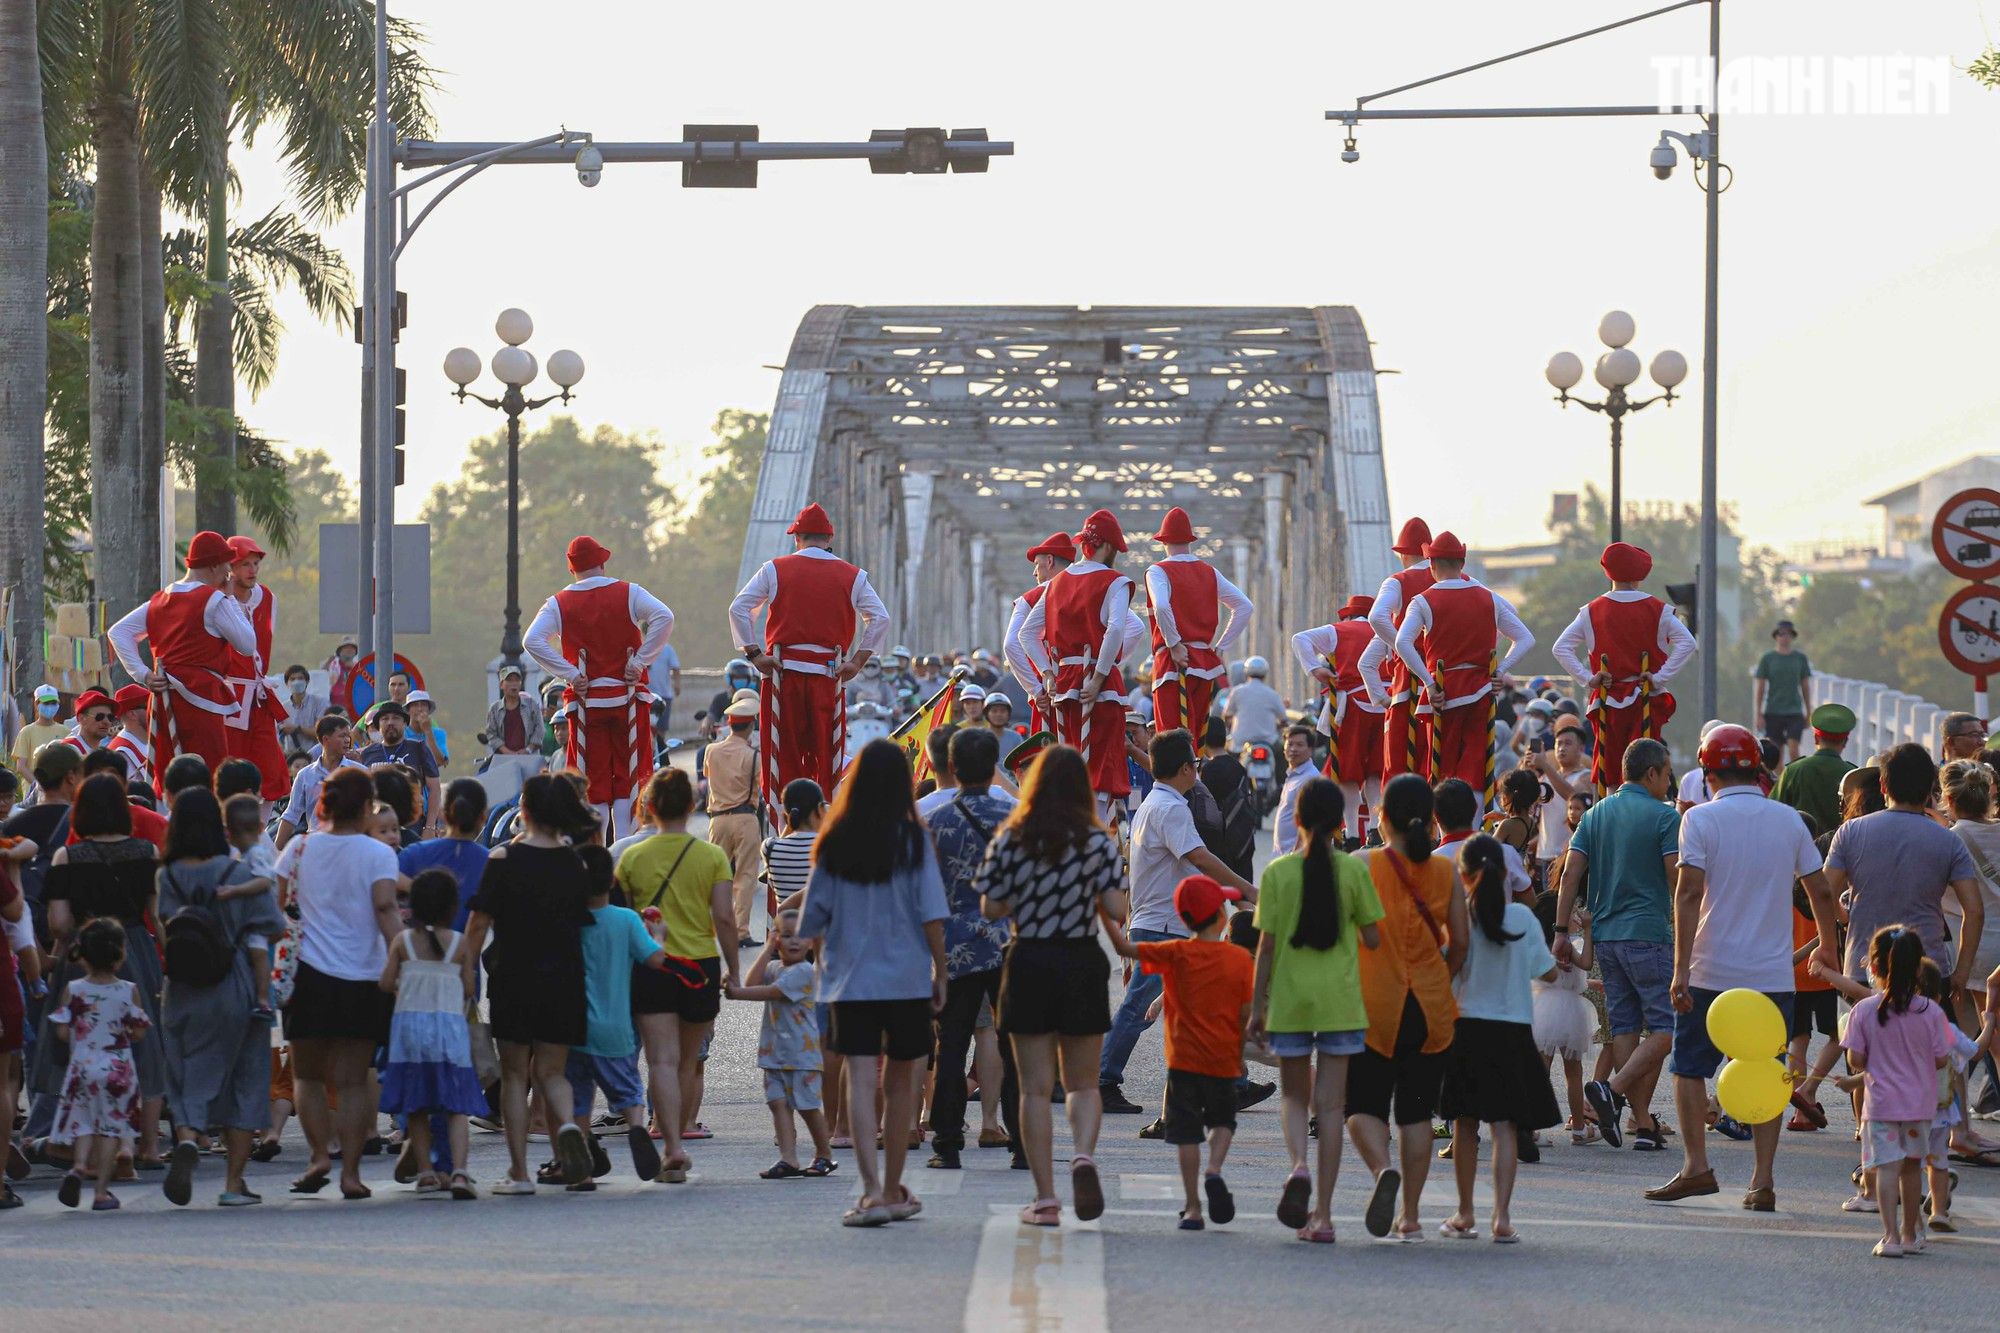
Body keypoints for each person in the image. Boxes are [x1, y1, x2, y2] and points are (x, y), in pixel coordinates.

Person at [1645, 723, 1841, 1209]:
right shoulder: (1789, 821)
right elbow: (1819, 890)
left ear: (1708, 774)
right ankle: (1762, 1180)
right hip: (1771, 975)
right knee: (1767, 1072)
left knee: (1689, 1068)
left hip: (1711, 969)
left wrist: (1680, 969)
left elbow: (1688, 893)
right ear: (1758, 771)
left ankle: (1697, 1168)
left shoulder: (1701, 821)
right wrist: (1829, 949)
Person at [797, 738, 949, 1228]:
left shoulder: (834, 840)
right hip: (905, 978)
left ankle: (868, 1190)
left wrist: (817, 956)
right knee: (902, 1078)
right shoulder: (914, 838)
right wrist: (941, 971)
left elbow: (813, 916)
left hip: (849, 979)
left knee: (859, 1078)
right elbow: (931, 913)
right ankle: (892, 1187)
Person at [970, 744, 1122, 1224]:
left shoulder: (1011, 838)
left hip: (1029, 958)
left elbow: (991, 908)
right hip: (1081, 958)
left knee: (1034, 1090)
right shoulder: (1098, 842)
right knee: (1082, 1085)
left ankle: (1046, 1199)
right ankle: (1082, 1155)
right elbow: (1118, 910)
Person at [1098, 728, 1257, 1117]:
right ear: (1186, 768)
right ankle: (1101, 1080)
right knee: (1139, 1007)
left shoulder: (1159, 802)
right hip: (1161, 922)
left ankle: (1233, 1081)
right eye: (1196, 765)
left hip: (1161, 919)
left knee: (1198, 1004)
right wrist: (1249, 890)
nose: (1198, 772)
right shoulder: (1171, 808)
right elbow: (1200, 858)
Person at [1250, 777, 1383, 1242]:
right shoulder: (1353, 872)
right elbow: (1372, 937)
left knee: (1293, 1097)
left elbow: (1264, 947)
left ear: (1298, 820)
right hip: (1341, 1002)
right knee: (1329, 1109)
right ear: (1339, 823)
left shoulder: (1277, 874)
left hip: (1290, 1000)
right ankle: (1323, 1217)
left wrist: (1255, 1007)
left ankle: (1298, 1167)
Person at [462, 773, 598, 1193]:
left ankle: (520, 1173)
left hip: (514, 978)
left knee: (516, 1075)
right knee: (554, 1074)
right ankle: (570, 1137)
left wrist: (467, 975)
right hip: (565, 980)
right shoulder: (575, 862)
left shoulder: (503, 858)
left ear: (525, 811)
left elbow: (477, 925)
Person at [1349, 773, 1470, 1241]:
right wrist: (1441, 977)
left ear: (1383, 818)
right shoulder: (1445, 872)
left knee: (1362, 1106)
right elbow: (1458, 943)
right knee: (1417, 1114)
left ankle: (1382, 1170)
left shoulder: (1361, 864)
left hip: (1375, 1005)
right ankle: (1412, 1217)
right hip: (1430, 1007)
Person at [155, 789, 286, 1206]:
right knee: (244, 1079)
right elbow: (273, 925)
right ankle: (233, 1184)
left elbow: (165, 925)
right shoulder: (237, 873)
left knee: (188, 1070)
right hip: (235, 985)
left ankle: (189, 1134)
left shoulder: (168, 875)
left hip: (182, 987)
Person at [1107, 873, 1255, 1232]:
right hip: (1222, 1061)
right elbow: (1243, 1015)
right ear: (1222, 918)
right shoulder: (1239, 962)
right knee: (1222, 1123)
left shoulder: (1174, 953)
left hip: (1183, 1063)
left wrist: (1104, 912)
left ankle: (1192, 1208)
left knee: (1186, 1133)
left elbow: (1126, 950)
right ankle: (1214, 1169)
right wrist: (1238, 1054)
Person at [36, 774, 168, 1171]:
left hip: (83, 953)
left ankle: (82, 1143)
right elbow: (158, 917)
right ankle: (144, 1145)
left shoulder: (67, 857)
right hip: (135, 949)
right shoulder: (146, 852)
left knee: (80, 1049)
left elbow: (58, 922)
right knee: (143, 1046)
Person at [614, 767, 737, 1182]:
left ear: (648, 807)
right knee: (687, 1062)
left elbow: (628, 918)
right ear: (692, 806)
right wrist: (734, 972)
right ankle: (679, 1138)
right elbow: (724, 918)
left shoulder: (631, 857)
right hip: (699, 966)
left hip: (653, 965)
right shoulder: (712, 856)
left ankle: (672, 1149)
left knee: (660, 1062)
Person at [1438, 835, 1562, 1244]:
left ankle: (1465, 1213)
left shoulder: (1458, 918)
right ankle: (1503, 1218)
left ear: (1464, 875)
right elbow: (1549, 973)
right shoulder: (1523, 920)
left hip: (1468, 1029)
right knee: (1505, 1129)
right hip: (1513, 1033)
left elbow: (1447, 970)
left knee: (1465, 1126)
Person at [730, 503, 891, 813]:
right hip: (827, 676)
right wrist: (857, 661)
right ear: (829, 539)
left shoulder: (773, 569)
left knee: (782, 752)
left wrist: (754, 654)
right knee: (826, 754)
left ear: (797, 538)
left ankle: (782, 827)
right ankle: (823, 821)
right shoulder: (852, 575)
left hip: (782, 674)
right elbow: (880, 618)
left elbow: (738, 608)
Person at [1561, 738, 1680, 1151]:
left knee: (1626, 1027)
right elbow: (1675, 880)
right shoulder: (1665, 817)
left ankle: (1643, 1124)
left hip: (1607, 938)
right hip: (1649, 935)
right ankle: (1611, 1090)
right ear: (1652, 773)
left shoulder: (1594, 814)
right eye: (1666, 773)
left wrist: (1561, 930)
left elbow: (1569, 875)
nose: (1668, 781)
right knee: (1668, 1027)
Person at [522, 536, 675, 839]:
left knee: (593, 783)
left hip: (586, 702)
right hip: (627, 698)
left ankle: (595, 848)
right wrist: (640, 662)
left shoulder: (558, 603)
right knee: (629, 778)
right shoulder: (629, 592)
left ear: (571, 569)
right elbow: (664, 617)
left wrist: (569, 673)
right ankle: (623, 848)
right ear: (603, 563)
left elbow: (532, 641)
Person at [1828, 927, 1961, 1257]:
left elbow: (1856, 1059)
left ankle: (1889, 1237)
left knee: (1886, 1168)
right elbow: (1942, 1058)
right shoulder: (1932, 1012)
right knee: (1912, 1167)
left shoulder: (1863, 1010)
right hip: (1919, 1106)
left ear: (1873, 969)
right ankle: (1908, 1234)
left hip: (1882, 1106)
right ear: (1919, 968)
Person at [922, 726, 1019, 1171]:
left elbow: (925, 890)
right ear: (994, 765)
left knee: (951, 1046)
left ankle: (946, 1143)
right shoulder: (1014, 815)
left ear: (952, 767)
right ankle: (1021, 1140)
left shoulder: (935, 821)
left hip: (953, 944)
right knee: (1013, 1043)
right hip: (1007, 942)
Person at [571, 845, 690, 1187]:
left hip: (578, 1027)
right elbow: (655, 960)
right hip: (617, 1027)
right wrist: (658, 934)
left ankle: (582, 1168)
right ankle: (637, 1126)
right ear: (612, 881)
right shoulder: (626, 920)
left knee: (579, 1094)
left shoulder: (571, 920)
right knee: (628, 1090)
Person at [1825, 744, 1982, 1002]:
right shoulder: (1948, 840)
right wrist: (1961, 973)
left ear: (1883, 786)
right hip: (1927, 969)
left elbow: (1824, 890)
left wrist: (1843, 918)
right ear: (1931, 788)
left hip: (1865, 967)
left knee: (1864, 1041)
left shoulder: (1851, 832)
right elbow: (1974, 911)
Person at [107, 529, 259, 790]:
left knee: (167, 772)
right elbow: (247, 644)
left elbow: (118, 632)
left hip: (164, 698)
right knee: (209, 772)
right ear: (213, 566)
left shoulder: (161, 599)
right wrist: (231, 597)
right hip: (202, 699)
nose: (228, 574)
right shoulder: (215, 599)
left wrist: (142, 674)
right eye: (226, 566)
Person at [1018, 508, 1148, 809]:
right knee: (1100, 765)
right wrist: (1101, 674)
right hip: (1098, 684)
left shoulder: (1055, 583)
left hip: (1064, 684)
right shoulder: (1114, 582)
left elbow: (1027, 634)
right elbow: (1117, 628)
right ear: (1109, 546)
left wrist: (1048, 674)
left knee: (1069, 761)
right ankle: (1097, 834)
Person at [1391, 532, 1534, 799]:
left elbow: (1402, 643)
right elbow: (1525, 638)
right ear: (1462, 564)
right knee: (1477, 765)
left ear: (1432, 565)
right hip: (1481, 689)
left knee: (1440, 765)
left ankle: (1446, 834)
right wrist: (1500, 671)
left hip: (1442, 691)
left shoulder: (1422, 601)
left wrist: (1428, 682)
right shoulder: (1489, 597)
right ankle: (1474, 826)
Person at [376, 869, 485, 1200]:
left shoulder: (403, 942)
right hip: (449, 1031)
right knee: (456, 1108)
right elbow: (469, 987)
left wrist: (407, 987)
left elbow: (384, 983)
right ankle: (461, 1172)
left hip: (410, 1033)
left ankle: (425, 1173)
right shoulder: (459, 943)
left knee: (417, 1107)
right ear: (452, 907)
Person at [1549, 541, 1695, 789]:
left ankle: (1613, 815)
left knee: (1611, 767)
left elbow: (1560, 648)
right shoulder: (1659, 610)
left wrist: (1588, 679)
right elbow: (1687, 643)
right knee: (1645, 765)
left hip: (1608, 698)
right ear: (1639, 575)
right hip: (1645, 697)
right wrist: (1659, 677)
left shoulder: (1591, 611)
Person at [47, 918, 150, 1210]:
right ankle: (101, 1192)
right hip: (118, 1068)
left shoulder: (74, 989)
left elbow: (62, 1031)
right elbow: (140, 1032)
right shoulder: (128, 990)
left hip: (83, 1066)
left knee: (83, 1122)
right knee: (110, 1129)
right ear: (120, 954)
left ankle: (79, 1166)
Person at [727, 909, 838, 1179]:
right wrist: (766, 950)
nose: (794, 942)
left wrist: (736, 993)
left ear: (811, 941)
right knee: (778, 1104)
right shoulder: (776, 967)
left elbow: (770, 992)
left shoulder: (803, 972)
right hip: (774, 1053)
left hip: (802, 1055)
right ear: (777, 939)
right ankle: (788, 1158)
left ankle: (824, 1154)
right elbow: (754, 981)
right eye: (786, 936)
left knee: (808, 1106)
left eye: (800, 936)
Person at [1144, 506, 1253, 739]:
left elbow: (1162, 606)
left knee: (1171, 739)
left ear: (1163, 541)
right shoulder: (1209, 571)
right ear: (1190, 541)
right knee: (1195, 734)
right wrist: (1221, 648)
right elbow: (1245, 606)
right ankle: (1193, 775)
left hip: (1172, 662)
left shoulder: (1157, 571)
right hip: (1205, 663)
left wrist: (1174, 644)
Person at [1293, 593, 1387, 838]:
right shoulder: (1390, 630)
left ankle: (1352, 833)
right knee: (1377, 772)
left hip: (1354, 706)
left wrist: (1315, 669)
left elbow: (1299, 638)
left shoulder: (1338, 630)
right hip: (1387, 706)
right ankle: (1376, 828)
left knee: (1348, 773)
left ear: (1348, 615)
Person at [1365, 517, 1438, 784]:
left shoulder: (1397, 581)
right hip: (1447, 681)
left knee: (1399, 764)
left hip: (1408, 685)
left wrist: (1402, 647)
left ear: (1403, 554)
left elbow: (1377, 618)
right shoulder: (1462, 581)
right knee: (1440, 760)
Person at [218, 535, 290, 802]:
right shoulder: (216, 599)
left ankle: (259, 830)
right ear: (230, 567)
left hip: (259, 697)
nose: (252, 570)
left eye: (256, 563)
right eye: (245, 564)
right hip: (229, 698)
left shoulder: (267, 598)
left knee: (272, 770)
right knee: (229, 769)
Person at [1535, 905, 1598, 1144]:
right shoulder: (1570, 945)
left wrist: (1591, 984)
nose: (1575, 916)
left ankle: (1530, 1126)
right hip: (1571, 1010)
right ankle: (1580, 1129)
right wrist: (1589, 931)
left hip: (1544, 1007)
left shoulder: (1542, 946)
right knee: (1574, 1073)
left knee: (1542, 1070)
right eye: (1571, 912)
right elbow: (1586, 963)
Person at [1003, 532, 1077, 734]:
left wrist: (1036, 690)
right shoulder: (1087, 590)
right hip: (1086, 689)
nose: (1035, 573)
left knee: (1048, 757)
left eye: (1037, 564)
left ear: (1050, 561)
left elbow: (1011, 644)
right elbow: (1134, 627)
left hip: (1049, 694)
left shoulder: (1032, 597)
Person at [705, 697, 764, 942]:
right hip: (745, 819)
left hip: (717, 820)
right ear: (751, 726)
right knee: (745, 878)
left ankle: (707, 929)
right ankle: (741, 932)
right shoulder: (753, 755)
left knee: (712, 877)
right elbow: (760, 787)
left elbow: (708, 776)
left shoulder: (711, 750)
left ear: (729, 724)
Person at [276, 715, 367, 847]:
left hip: (352, 843)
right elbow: (292, 815)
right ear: (325, 739)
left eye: (348, 736)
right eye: (342, 736)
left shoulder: (360, 772)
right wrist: (275, 850)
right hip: (316, 843)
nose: (348, 740)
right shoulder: (305, 775)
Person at [355, 701, 441, 837]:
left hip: (412, 827)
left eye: (396, 718)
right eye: (385, 719)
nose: (390, 723)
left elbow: (435, 789)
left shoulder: (419, 749)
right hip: (377, 827)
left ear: (405, 724)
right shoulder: (367, 753)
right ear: (378, 725)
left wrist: (430, 827)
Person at [1772, 703, 1857, 835]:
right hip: (1839, 851)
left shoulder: (1793, 771)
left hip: (1798, 850)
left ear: (1816, 738)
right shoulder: (1853, 776)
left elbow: (1772, 811)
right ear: (1845, 742)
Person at [1754, 620, 1813, 762]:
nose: (1784, 636)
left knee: (1794, 748)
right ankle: (1781, 781)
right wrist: (1759, 714)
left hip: (1794, 710)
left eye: (1788, 633)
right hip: (1773, 711)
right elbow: (1760, 687)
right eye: (1781, 633)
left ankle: (1793, 779)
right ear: (1776, 636)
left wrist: (1809, 712)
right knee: (1775, 752)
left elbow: (1805, 686)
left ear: (1792, 636)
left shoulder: (1800, 659)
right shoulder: (1768, 659)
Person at [766, 778, 825, 914]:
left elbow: (782, 839)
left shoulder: (770, 848)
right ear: (820, 809)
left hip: (788, 930)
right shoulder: (831, 849)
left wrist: (791, 821)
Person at [1220, 656, 1286, 753]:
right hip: (1268, 743)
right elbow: (1283, 718)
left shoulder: (1237, 692)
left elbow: (1226, 715)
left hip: (1240, 744)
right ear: (1265, 674)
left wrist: (1229, 724)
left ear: (1246, 672)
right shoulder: (1272, 694)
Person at [1272, 726, 1318, 857]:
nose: (1293, 749)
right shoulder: (1293, 775)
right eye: (1290, 744)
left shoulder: (1310, 779)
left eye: (1300, 745)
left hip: (1294, 856)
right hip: (1282, 854)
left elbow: (1309, 821)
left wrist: (1296, 854)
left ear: (1310, 749)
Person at [484, 663, 546, 758]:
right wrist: (507, 752)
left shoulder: (531, 704)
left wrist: (528, 749)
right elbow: (491, 734)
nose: (514, 684)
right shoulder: (495, 709)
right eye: (509, 680)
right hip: (502, 760)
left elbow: (540, 729)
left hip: (529, 758)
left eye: (517, 680)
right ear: (501, 684)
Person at [276, 665, 327, 765]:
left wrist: (298, 729)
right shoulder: (283, 707)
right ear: (287, 683)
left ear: (307, 681)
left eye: (300, 678)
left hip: (316, 758)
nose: (296, 682)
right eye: (292, 679)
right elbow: (276, 735)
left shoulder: (319, 703)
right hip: (292, 760)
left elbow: (324, 735)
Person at [12, 685, 68, 773]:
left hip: (56, 785)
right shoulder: (26, 732)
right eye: (46, 703)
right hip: (32, 786)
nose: (50, 706)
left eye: (53, 703)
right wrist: (38, 784)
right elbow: (21, 767)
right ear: (36, 704)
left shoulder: (66, 732)